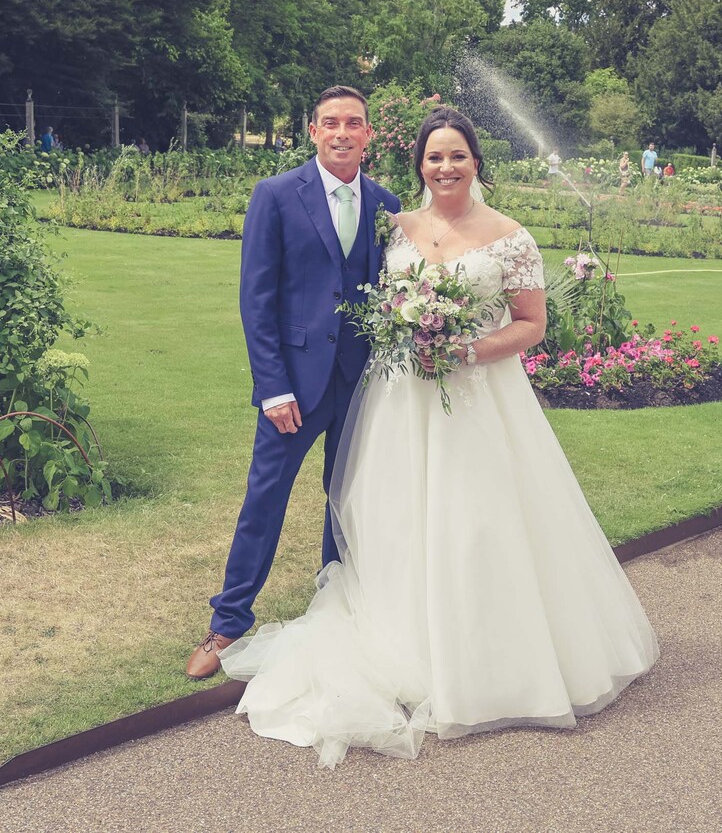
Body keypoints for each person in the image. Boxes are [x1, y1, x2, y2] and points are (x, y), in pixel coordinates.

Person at [220, 106, 659, 767]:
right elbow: (340, 297)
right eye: (434, 157)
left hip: (478, 399)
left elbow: (532, 323)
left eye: (457, 155)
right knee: (390, 513)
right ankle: (260, 618)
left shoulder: (512, 237)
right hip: (399, 399)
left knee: (477, 520)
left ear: (476, 160)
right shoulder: (396, 223)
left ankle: (482, 654)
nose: (446, 166)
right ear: (419, 164)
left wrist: (464, 349)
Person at [185, 86, 400, 680]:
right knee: (265, 499)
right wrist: (273, 386)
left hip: (362, 382)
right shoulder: (276, 195)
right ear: (312, 130)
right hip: (294, 388)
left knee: (347, 500)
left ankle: (339, 607)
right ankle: (228, 622)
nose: (341, 132)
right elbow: (257, 301)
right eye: (330, 122)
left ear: (368, 134)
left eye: (353, 123)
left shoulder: (387, 203)